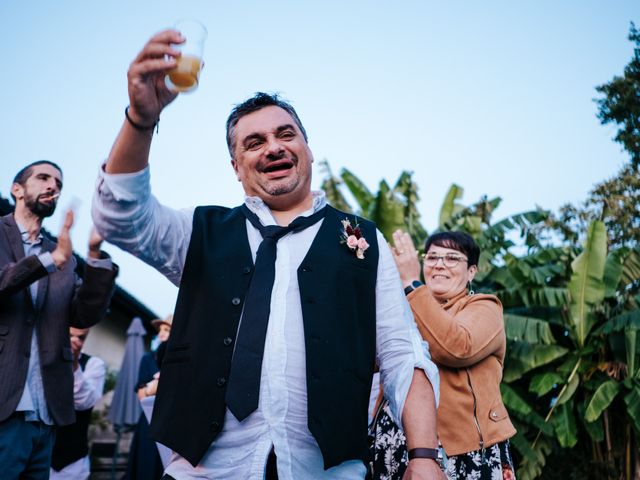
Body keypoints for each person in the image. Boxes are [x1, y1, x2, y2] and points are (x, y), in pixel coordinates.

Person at [92, 28, 444, 480]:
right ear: (236, 167)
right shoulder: (198, 231)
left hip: (326, 471)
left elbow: (402, 353)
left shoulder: (364, 241)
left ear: (308, 149)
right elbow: (119, 216)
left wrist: (423, 457)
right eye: (254, 142)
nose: (273, 146)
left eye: (286, 134)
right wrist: (140, 120)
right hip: (204, 471)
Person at [0, 160, 118, 478]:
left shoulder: (61, 253)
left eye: (59, 183)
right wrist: (48, 261)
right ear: (17, 190)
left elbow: (85, 314)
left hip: (46, 414)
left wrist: (94, 254)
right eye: (43, 178)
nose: (53, 186)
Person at [391, 230, 517, 479]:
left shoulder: (484, 307)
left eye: (451, 258)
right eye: (432, 257)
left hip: (464, 452)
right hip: (398, 447)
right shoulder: (404, 308)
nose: (439, 264)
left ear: (471, 271)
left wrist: (410, 282)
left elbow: (457, 347)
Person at [50, 327, 107, 480]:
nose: (74, 341)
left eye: (81, 338)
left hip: (70, 462)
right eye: (69, 335)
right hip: (31, 452)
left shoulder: (93, 364)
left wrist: (73, 364)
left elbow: (84, 402)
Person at [125, 315, 172, 480]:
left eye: (167, 329)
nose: (161, 333)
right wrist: (157, 384)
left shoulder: (181, 360)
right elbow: (141, 393)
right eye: (160, 329)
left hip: (170, 422)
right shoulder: (148, 358)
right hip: (148, 419)